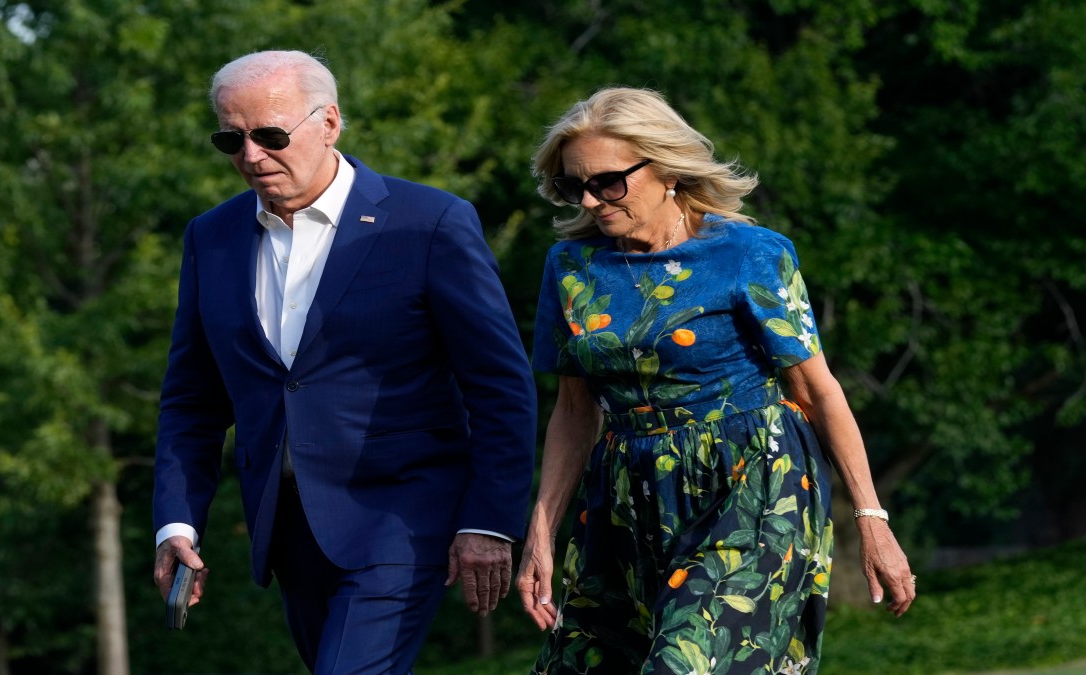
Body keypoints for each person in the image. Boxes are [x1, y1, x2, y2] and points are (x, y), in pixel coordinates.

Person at [151, 50, 536, 674]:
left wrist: (491, 520)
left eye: (271, 135)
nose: (251, 156)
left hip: (402, 521)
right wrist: (176, 522)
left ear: (329, 123)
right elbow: (192, 400)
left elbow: (499, 385)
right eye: (231, 138)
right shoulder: (210, 237)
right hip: (287, 530)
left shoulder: (431, 222)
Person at [515, 87, 914, 674]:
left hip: (752, 481)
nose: (592, 201)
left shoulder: (750, 253)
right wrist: (542, 531)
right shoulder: (571, 268)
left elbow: (816, 389)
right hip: (628, 495)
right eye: (575, 186)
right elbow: (575, 411)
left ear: (667, 168)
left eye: (608, 182)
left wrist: (871, 519)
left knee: (687, 662)